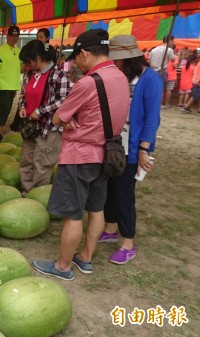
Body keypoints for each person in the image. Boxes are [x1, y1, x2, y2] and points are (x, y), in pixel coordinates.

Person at [31, 29, 130, 281]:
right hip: (106, 155)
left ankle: (63, 266)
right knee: (96, 209)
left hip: (79, 155)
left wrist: (68, 118)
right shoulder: (120, 77)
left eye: (77, 57)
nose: (76, 62)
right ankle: (85, 258)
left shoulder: (88, 82)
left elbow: (57, 117)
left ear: (85, 52)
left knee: (72, 214)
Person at [96, 34, 162, 265]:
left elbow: (152, 117)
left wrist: (144, 148)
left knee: (124, 193)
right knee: (110, 188)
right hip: (114, 144)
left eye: (117, 59)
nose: (114, 62)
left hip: (132, 147)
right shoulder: (122, 75)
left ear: (129, 58)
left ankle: (128, 241)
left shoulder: (150, 79)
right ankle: (111, 227)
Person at [16, 40, 70, 194]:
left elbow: (64, 99)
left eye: (29, 61)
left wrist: (40, 111)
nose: (27, 65)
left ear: (38, 57)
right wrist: (22, 106)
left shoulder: (58, 74)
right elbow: (23, 93)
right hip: (30, 127)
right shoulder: (29, 73)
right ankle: (26, 192)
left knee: (42, 164)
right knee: (26, 160)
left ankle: (37, 196)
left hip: (49, 128)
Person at [0, 25, 22, 143]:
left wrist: (14, 88)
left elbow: (17, 69)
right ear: (7, 36)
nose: (14, 38)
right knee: (3, 109)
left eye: (16, 36)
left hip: (12, 86)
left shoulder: (18, 51)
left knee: (8, 109)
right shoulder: (0, 50)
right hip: (2, 86)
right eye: (12, 35)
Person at [148, 35, 176, 108]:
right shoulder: (169, 50)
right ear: (169, 41)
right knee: (161, 89)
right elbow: (173, 59)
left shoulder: (154, 49)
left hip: (152, 71)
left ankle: (151, 103)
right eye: (172, 41)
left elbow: (149, 61)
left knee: (152, 88)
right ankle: (159, 104)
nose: (173, 43)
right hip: (161, 71)